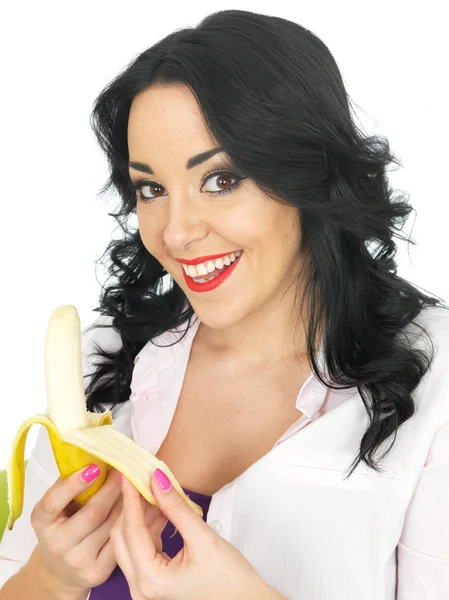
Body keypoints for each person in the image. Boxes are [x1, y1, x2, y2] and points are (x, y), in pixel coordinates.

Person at [1, 8, 448, 600]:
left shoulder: (434, 384)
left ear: (306, 174)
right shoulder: (103, 371)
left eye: (221, 179)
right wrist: (48, 580)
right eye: (151, 189)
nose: (178, 232)